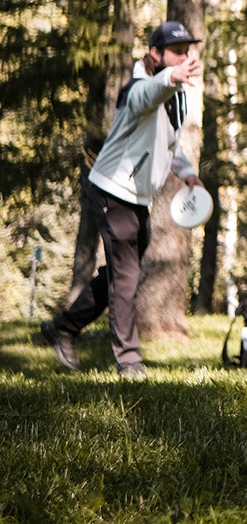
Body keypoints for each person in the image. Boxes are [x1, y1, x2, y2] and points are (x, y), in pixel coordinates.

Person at [40, 21, 204, 378]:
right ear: (155, 53)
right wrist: (171, 78)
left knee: (118, 275)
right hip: (111, 190)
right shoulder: (138, 89)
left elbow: (170, 144)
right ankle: (129, 362)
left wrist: (188, 173)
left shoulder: (175, 96)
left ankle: (63, 328)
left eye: (187, 51)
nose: (184, 57)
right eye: (176, 51)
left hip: (136, 198)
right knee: (125, 278)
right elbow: (147, 95)